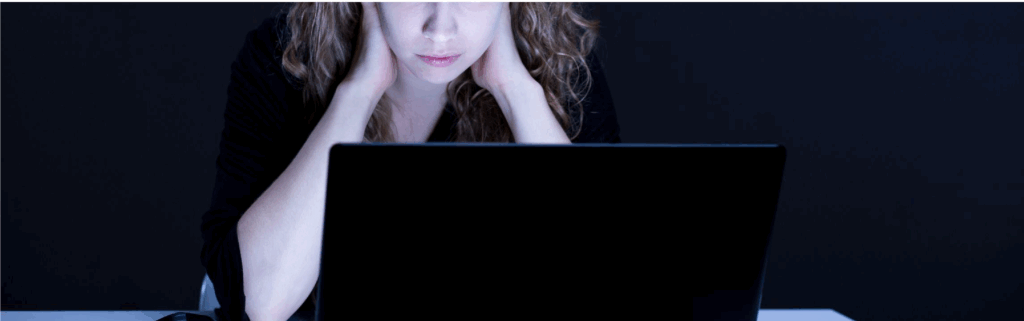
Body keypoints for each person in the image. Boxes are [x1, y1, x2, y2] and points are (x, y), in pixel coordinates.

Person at [200, 2, 620, 321]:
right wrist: (359, 91)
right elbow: (261, 304)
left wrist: (516, 91)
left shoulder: (563, 69)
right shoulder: (282, 60)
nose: (440, 29)